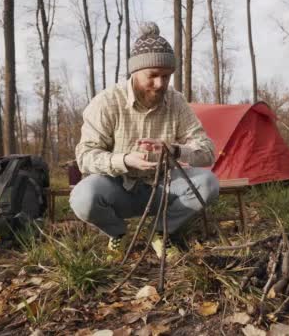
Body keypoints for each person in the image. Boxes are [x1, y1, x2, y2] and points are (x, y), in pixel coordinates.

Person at [69, 22, 219, 261]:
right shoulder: (107, 102)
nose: (160, 84)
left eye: (167, 76)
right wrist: (125, 160)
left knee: (208, 183)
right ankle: (117, 232)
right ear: (134, 72)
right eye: (153, 76)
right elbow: (85, 157)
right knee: (83, 197)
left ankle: (160, 232)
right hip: (119, 187)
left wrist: (176, 151)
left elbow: (208, 151)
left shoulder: (177, 102)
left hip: (164, 186)